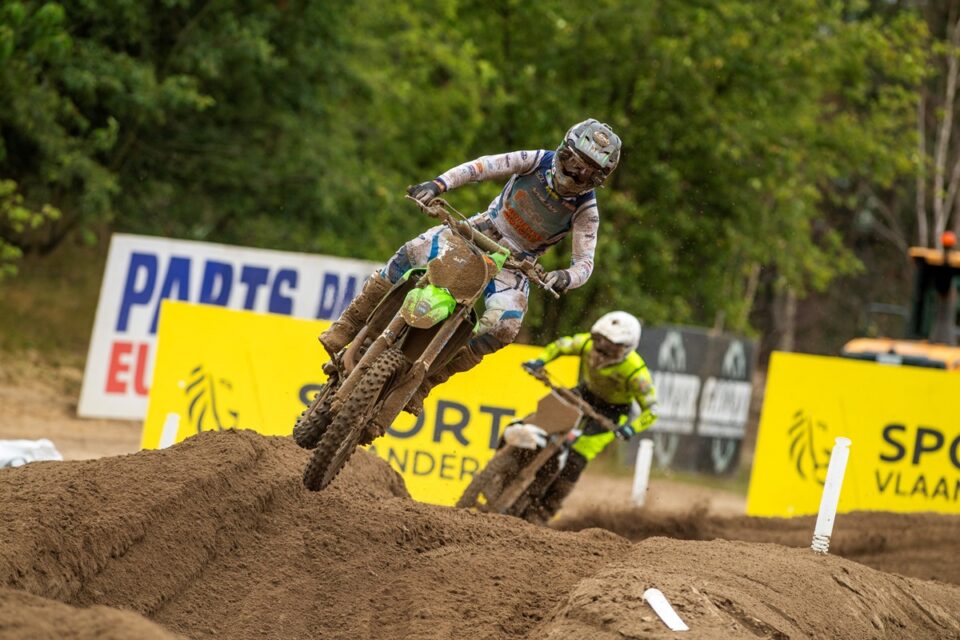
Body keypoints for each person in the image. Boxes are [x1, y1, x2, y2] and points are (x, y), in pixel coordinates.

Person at [318, 119, 622, 414]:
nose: (575, 174)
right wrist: (438, 185)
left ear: (597, 181)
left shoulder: (586, 210)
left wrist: (565, 277)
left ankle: (427, 381)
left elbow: (585, 263)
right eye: (573, 162)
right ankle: (349, 323)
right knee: (412, 252)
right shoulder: (536, 160)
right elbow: (483, 167)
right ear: (562, 150)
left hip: (516, 265)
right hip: (480, 231)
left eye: (587, 174)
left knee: (504, 327)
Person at [509, 310, 658, 523]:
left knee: (575, 459)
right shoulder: (586, 343)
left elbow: (652, 411)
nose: (602, 349)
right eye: (599, 340)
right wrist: (540, 361)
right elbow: (561, 345)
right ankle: (507, 461)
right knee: (544, 417)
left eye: (612, 347)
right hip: (585, 393)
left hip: (613, 413)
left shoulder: (636, 372)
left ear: (627, 348)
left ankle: (543, 511)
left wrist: (631, 429)